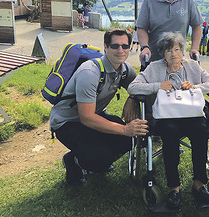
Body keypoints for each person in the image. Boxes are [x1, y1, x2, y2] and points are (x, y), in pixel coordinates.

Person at [127, 32, 209, 209]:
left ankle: (199, 183)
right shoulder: (154, 68)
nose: (173, 54)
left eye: (177, 49)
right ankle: (174, 188)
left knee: (201, 129)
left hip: (191, 115)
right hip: (166, 117)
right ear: (163, 53)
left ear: (182, 51)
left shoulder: (192, 66)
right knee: (169, 132)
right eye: (168, 50)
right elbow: (133, 86)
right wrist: (158, 86)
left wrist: (195, 87)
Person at [50, 27, 148, 186]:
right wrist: (124, 129)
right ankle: (73, 161)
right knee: (99, 156)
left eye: (125, 46)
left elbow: (138, 88)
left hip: (94, 115)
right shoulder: (90, 72)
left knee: (129, 141)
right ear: (105, 47)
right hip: (67, 121)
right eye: (115, 46)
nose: (120, 50)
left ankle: (98, 157)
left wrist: (131, 98)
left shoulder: (125, 70)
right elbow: (86, 118)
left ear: (130, 48)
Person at [136, 0, 203, 65]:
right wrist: (145, 47)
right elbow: (141, 27)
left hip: (177, 60)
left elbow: (197, 25)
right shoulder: (149, 0)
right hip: (153, 59)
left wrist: (194, 48)